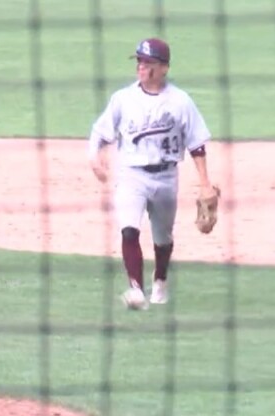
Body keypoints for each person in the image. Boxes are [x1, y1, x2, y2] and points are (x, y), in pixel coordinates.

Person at [88, 37, 218, 310]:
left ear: (163, 68)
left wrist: (205, 183)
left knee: (163, 238)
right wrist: (95, 157)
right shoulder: (123, 99)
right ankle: (135, 287)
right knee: (128, 230)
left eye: (147, 62)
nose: (141, 66)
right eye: (139, 61)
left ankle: (160, 280)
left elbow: (196, 144)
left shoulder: (180, 101)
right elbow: (100, 132)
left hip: (166, 177)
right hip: (131, 175)